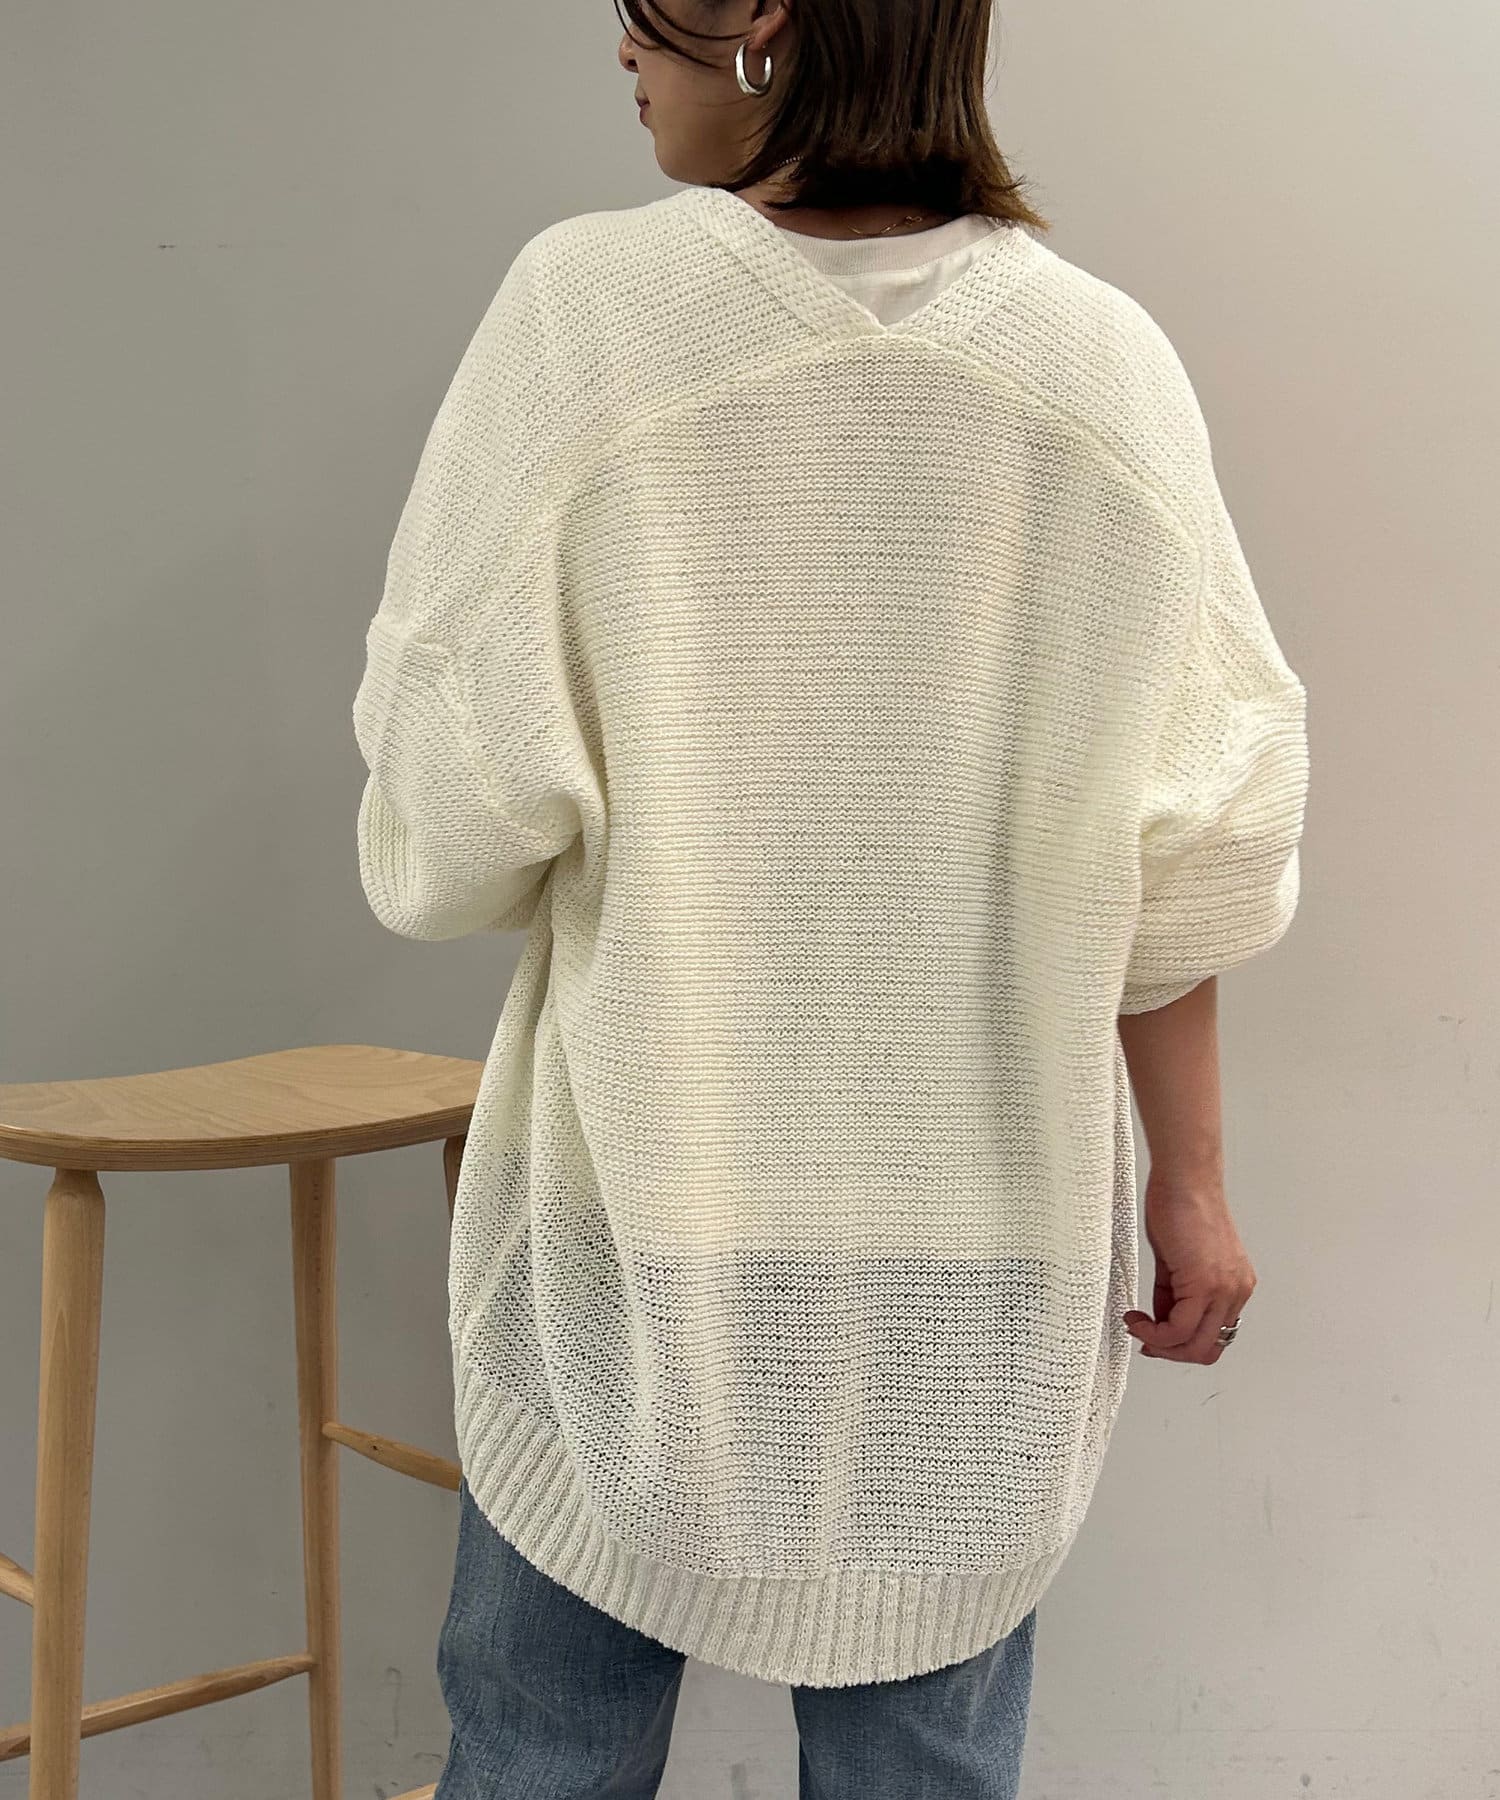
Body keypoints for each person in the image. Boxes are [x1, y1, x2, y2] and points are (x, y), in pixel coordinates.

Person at [349, 2, 1310, 1794]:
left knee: (545, 1749)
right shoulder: (1102, 364)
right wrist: (1192, 1187)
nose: (620, 47)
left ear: (765, 17)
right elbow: (1195, 848)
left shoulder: (589, 314)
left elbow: (449, 821)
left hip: (643, 1200)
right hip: (984, 1237)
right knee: (921, 1768)